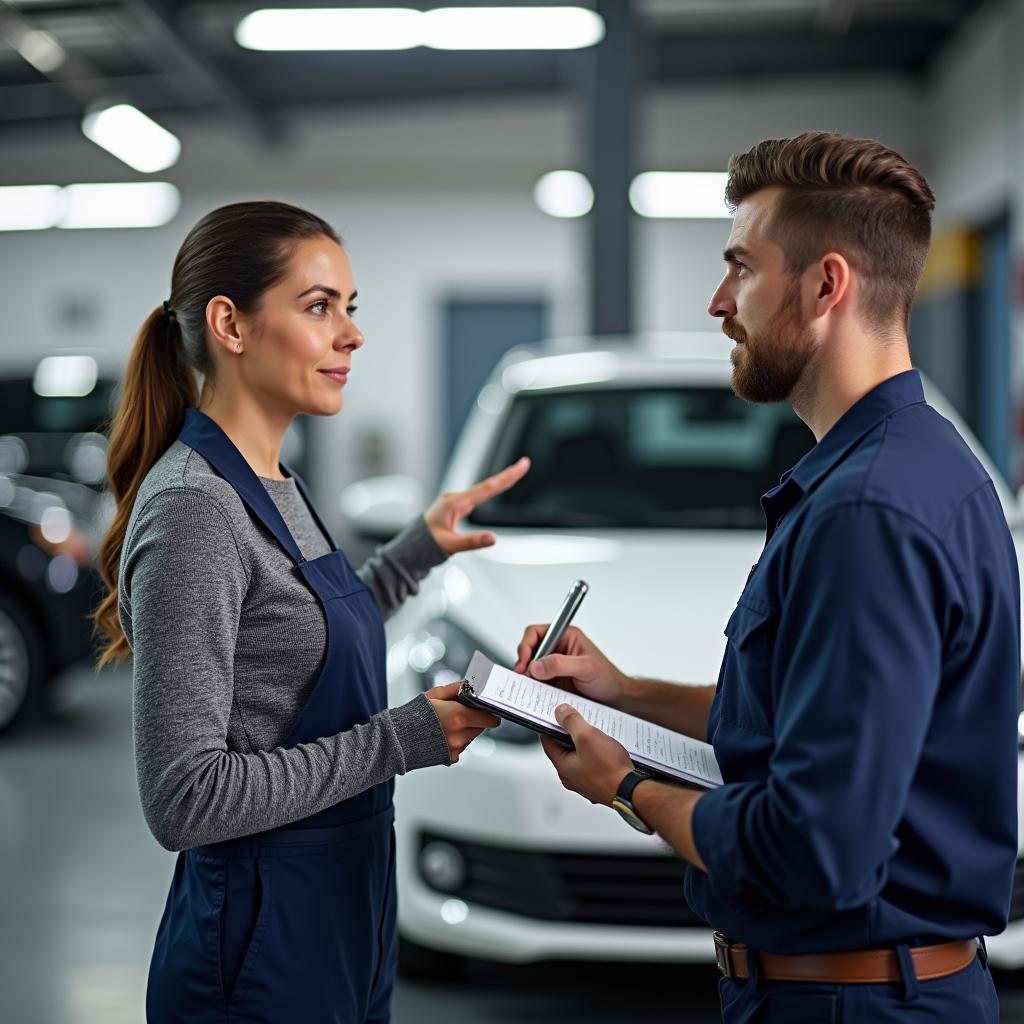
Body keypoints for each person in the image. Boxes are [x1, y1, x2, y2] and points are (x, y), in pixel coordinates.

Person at [515, 132, 1020, 1022]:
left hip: (849, 1002)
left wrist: (626, 785)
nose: (718, 302)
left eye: (741, 268)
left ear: (826, 285)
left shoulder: (868, 513)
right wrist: (622, 695)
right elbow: (804, 725)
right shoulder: (913, 467)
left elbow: (815, 848)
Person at [92, 200, 522, 1023]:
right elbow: (184, 798)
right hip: (261, 940)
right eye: (319, 306)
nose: (352, 334)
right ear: (232, 324)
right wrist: (404, 739)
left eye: (350, 309)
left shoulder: (274, 482)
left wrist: (417, 548)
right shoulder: (195, 508)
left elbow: (303, 631)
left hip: (343, 908)